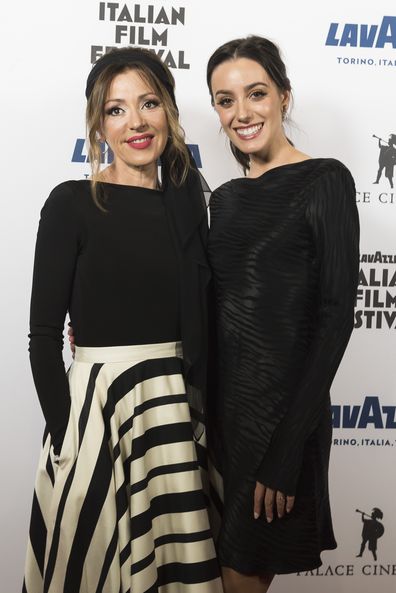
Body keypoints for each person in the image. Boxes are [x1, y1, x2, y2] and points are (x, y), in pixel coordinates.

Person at [23, 47, 223, 593]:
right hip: (96, 417)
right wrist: (67, 436)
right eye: (116, 110)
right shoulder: (71, 204)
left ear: (169, 113)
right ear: (99, 124)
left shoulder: (190, 206)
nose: (135, 122)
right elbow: (43, 339)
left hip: (175, 415)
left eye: (149, 103)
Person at [206, 36, 360, 593]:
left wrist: (286, 449)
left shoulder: (325, 180)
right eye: (226, 100)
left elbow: (336, 314)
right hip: (214, 425)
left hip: (280, 425)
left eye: (256, 93)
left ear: (284, 97)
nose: (242, 112)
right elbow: (204, 306)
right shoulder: (221, 200)